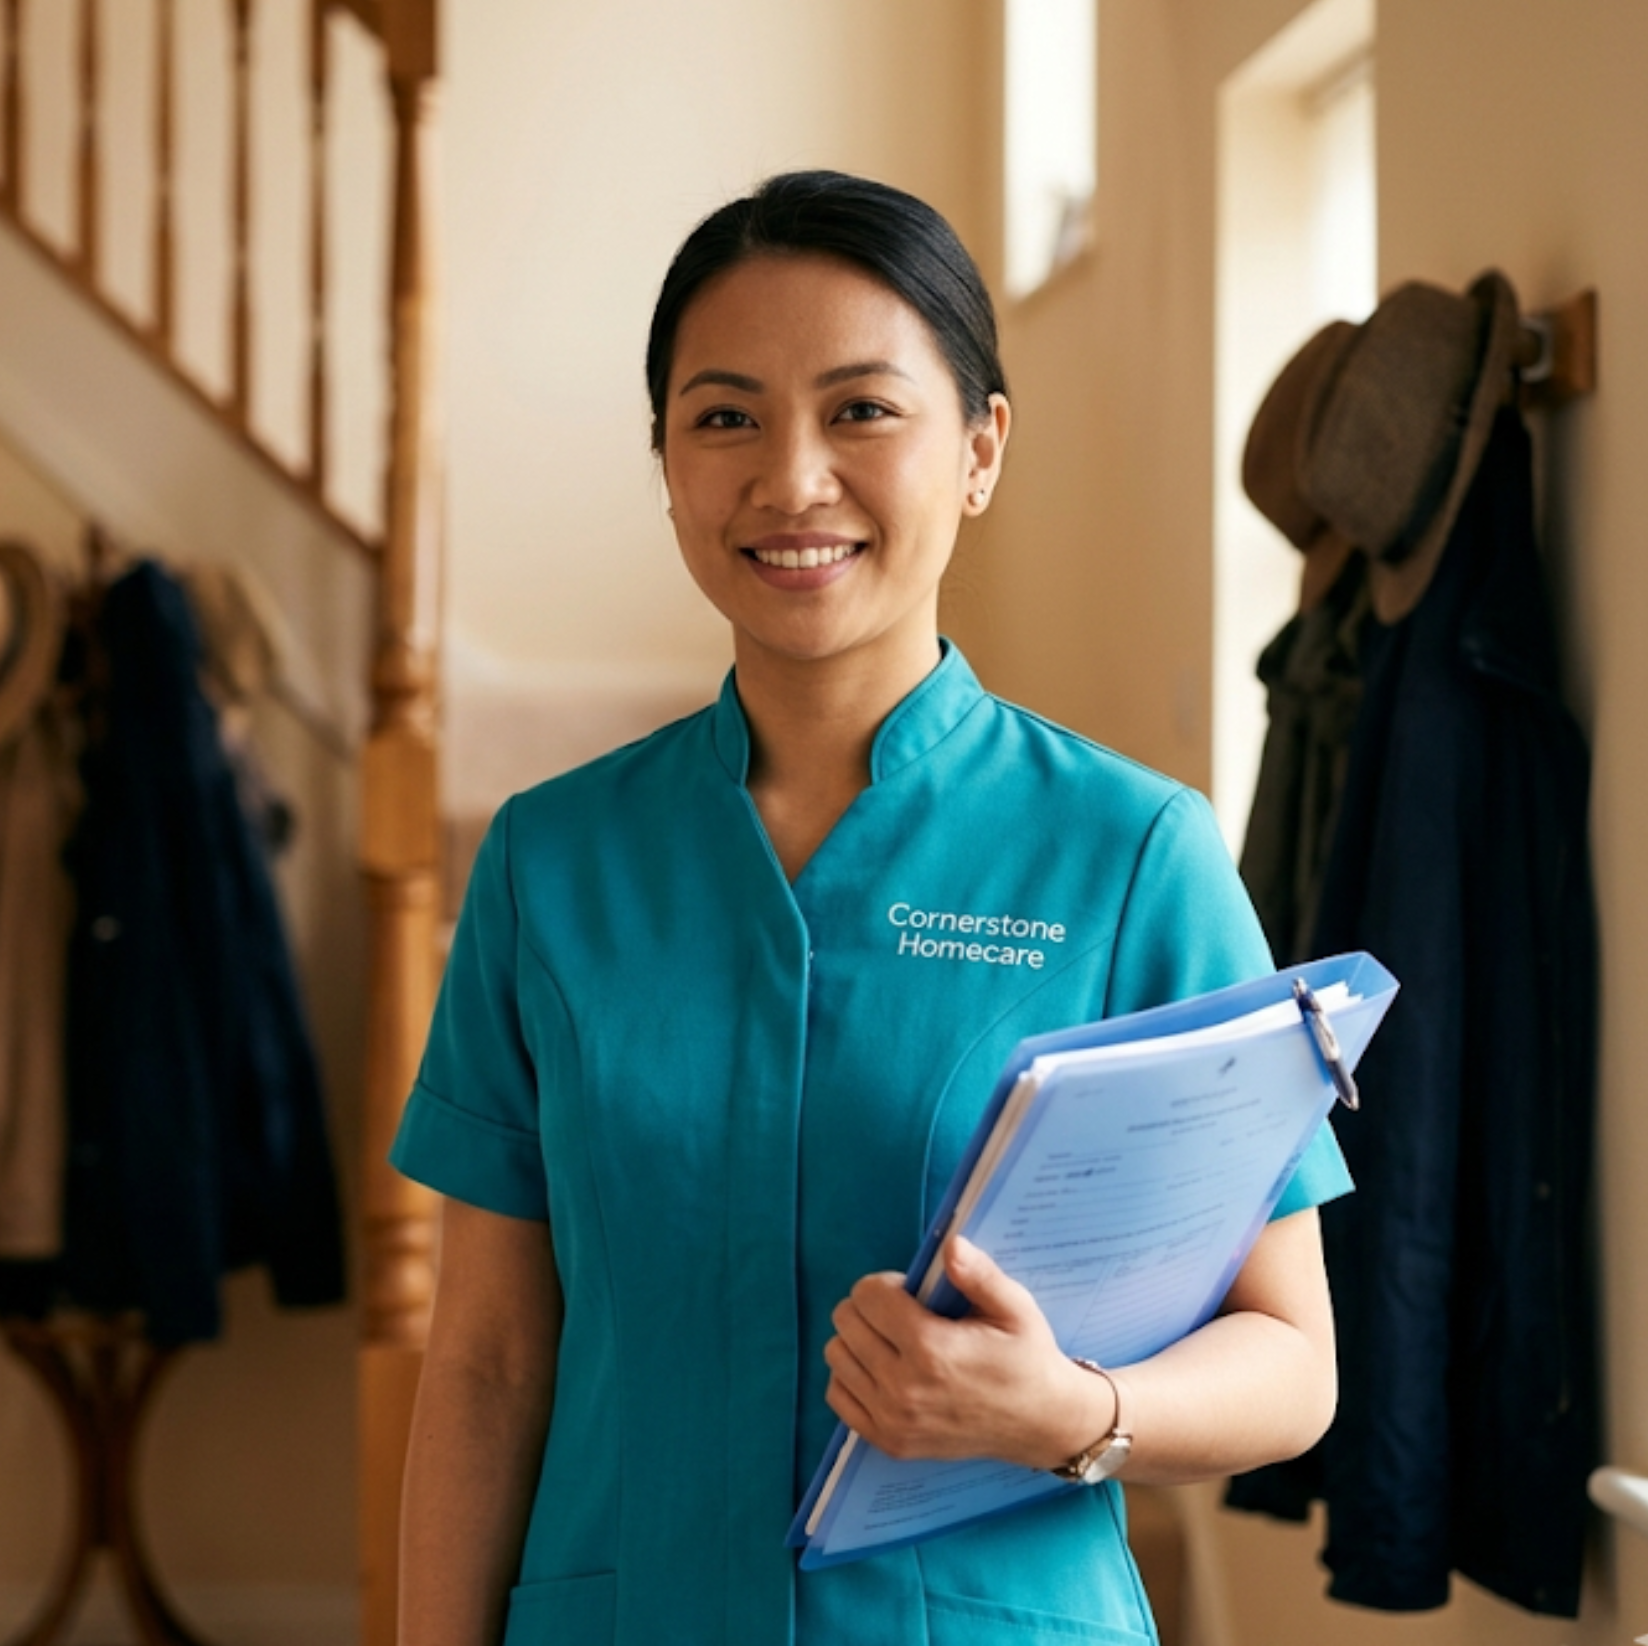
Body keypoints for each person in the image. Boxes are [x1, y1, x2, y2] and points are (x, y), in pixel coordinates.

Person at [389, 171, 1351, 1646]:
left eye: (861, 411)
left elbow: (1291, 1358)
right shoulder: (551, 866)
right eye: (725, 417)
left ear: (980, 449)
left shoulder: (1131, 855)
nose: (791, 480)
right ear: (665, 462)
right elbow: (488, 1364)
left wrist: (1072, 1410)